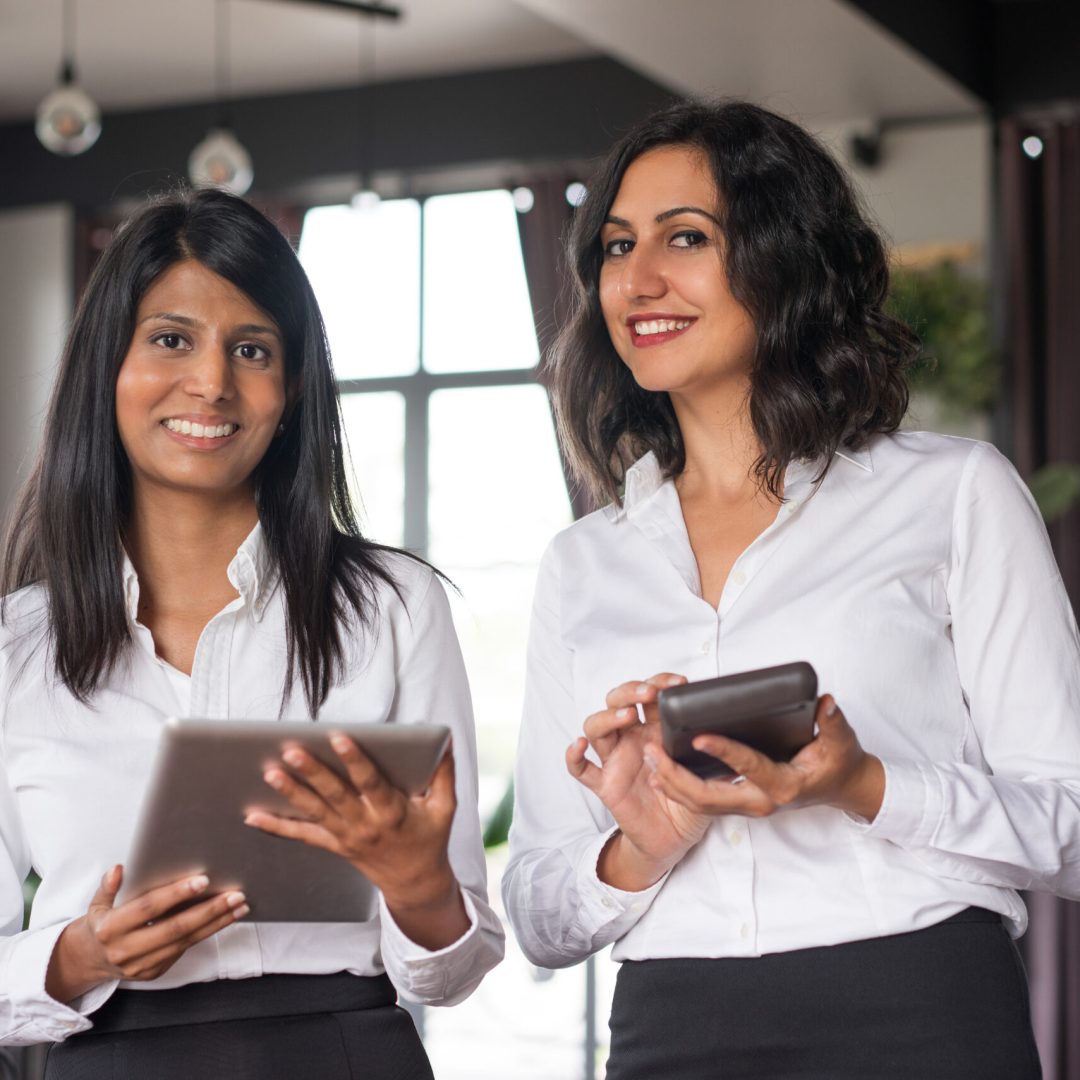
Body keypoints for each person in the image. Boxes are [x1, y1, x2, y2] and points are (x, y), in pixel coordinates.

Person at [503, 99, 1079, 1079]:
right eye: (614, 246)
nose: (636, 280)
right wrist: (638, 847)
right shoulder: (585, 562)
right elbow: (539, 917)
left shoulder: (952, 493)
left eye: (685, 238)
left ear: (786, 259)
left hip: (918, 1013)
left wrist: (865, 785)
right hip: (671, 1031)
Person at [0, 188, 503, 1079]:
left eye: (252, 349)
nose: (211, 383)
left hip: (345, 1050)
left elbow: (455, 968)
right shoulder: (16, 647)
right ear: (105, 366)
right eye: (169, 339)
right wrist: (79, 956)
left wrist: (418, 880)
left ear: (293, 384)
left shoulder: (393, 607)